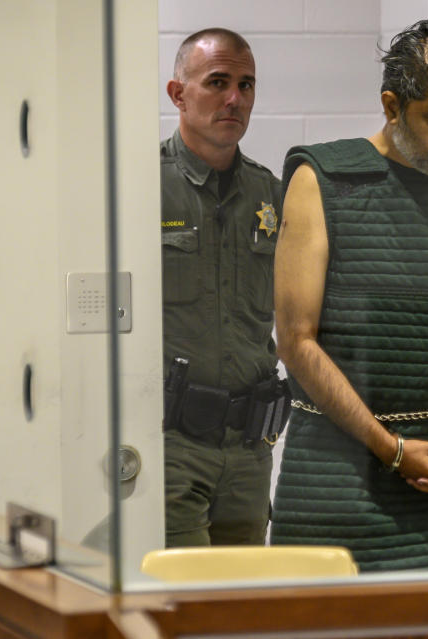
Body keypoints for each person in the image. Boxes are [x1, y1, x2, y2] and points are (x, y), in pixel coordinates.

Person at [270, 16, 428, 571]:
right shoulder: (321, 178)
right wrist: (392, 450)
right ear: (391, 104)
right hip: (341, 476)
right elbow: (296, 341)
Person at [160, 28, 288, 547]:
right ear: (178, 94)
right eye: (217, 82)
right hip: (171, 444)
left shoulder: (272, 194)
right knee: (183, 607)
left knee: (241, 606)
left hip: (250, 448)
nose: (235, 98)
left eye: (246, 85)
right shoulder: (139, 187)